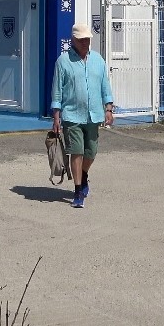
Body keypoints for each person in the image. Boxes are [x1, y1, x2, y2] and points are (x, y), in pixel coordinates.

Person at [50, 22, 114, 209]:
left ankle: (83, 175)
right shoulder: (63, 61)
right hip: (72, 115)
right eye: (82, 39)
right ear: (74, 40)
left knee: (91, 152)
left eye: (88, 39)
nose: (86, 42)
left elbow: (105, 87)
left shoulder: (98, 60)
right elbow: (57, 92)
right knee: (76, 151)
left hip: (94, 114)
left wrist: (108, 109)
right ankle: (78, 190)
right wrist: (56, 116)